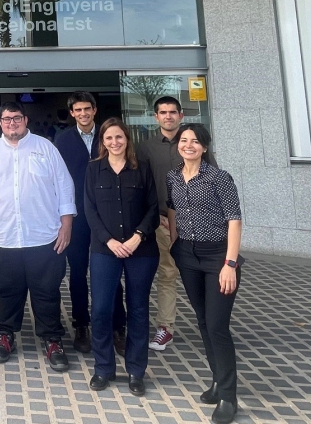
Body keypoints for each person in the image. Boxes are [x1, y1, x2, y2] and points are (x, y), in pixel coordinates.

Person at [0, 102, 76, 372]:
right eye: (6, 119)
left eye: (16, 118)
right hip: (3, 238)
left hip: (44, 237)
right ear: (0, 123)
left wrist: (66, 227)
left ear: (25, 119)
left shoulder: (46, 148)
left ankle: (53, 340)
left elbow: (65, 188)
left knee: (47, 293)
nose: (12, 123)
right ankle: (6, 336)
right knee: (7, 292)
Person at [168, 124, 243, 424]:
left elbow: (234, 221)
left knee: (217, 326)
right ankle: (217, 380)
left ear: (205, 147)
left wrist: (230, 263)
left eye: (195, 141)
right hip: (187, 255)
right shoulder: (173, 175)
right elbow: (172, 209)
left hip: (217, 257)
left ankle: (228, 396)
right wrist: (175, 244)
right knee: (202, 321)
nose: (188, 145)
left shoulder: (219, 178)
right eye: (184, 140)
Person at [83, 118, 159, 396]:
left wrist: (138, 235)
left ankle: (136, 372)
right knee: (101, 309)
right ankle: (103, 368)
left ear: (127, 139)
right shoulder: (94, 170)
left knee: (138, 310)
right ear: (102, 142)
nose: (114, 142)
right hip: (105, 250)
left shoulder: (142, 169)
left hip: (142, 249)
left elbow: (153, 207)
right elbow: (89, 210)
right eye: (108, 138)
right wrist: (110, 240)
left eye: (119, 137)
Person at [136, 96, 217, 352]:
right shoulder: (145, 148)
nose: (168, 116)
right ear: (155, 117)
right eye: (163, 112)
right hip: (162, 222)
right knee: (168, 275)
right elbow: (143, 186)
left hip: (197, 225)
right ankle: (165, 328)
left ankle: (211, 326)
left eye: (173, 112)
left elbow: (213, 182)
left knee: (202, 276)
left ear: (181, 116)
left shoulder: (194, 143)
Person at [54, 91, 127, 355]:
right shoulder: (62, 141)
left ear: (95, 110)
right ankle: (81, 325)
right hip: (76, 216)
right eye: (78, 110)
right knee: (77, 274)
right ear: (72, 113)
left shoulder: (108, 136)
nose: (83, 114)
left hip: (107, 216)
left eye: (87, 109)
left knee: (110, 273)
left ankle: (118, 326)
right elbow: (57, 180)